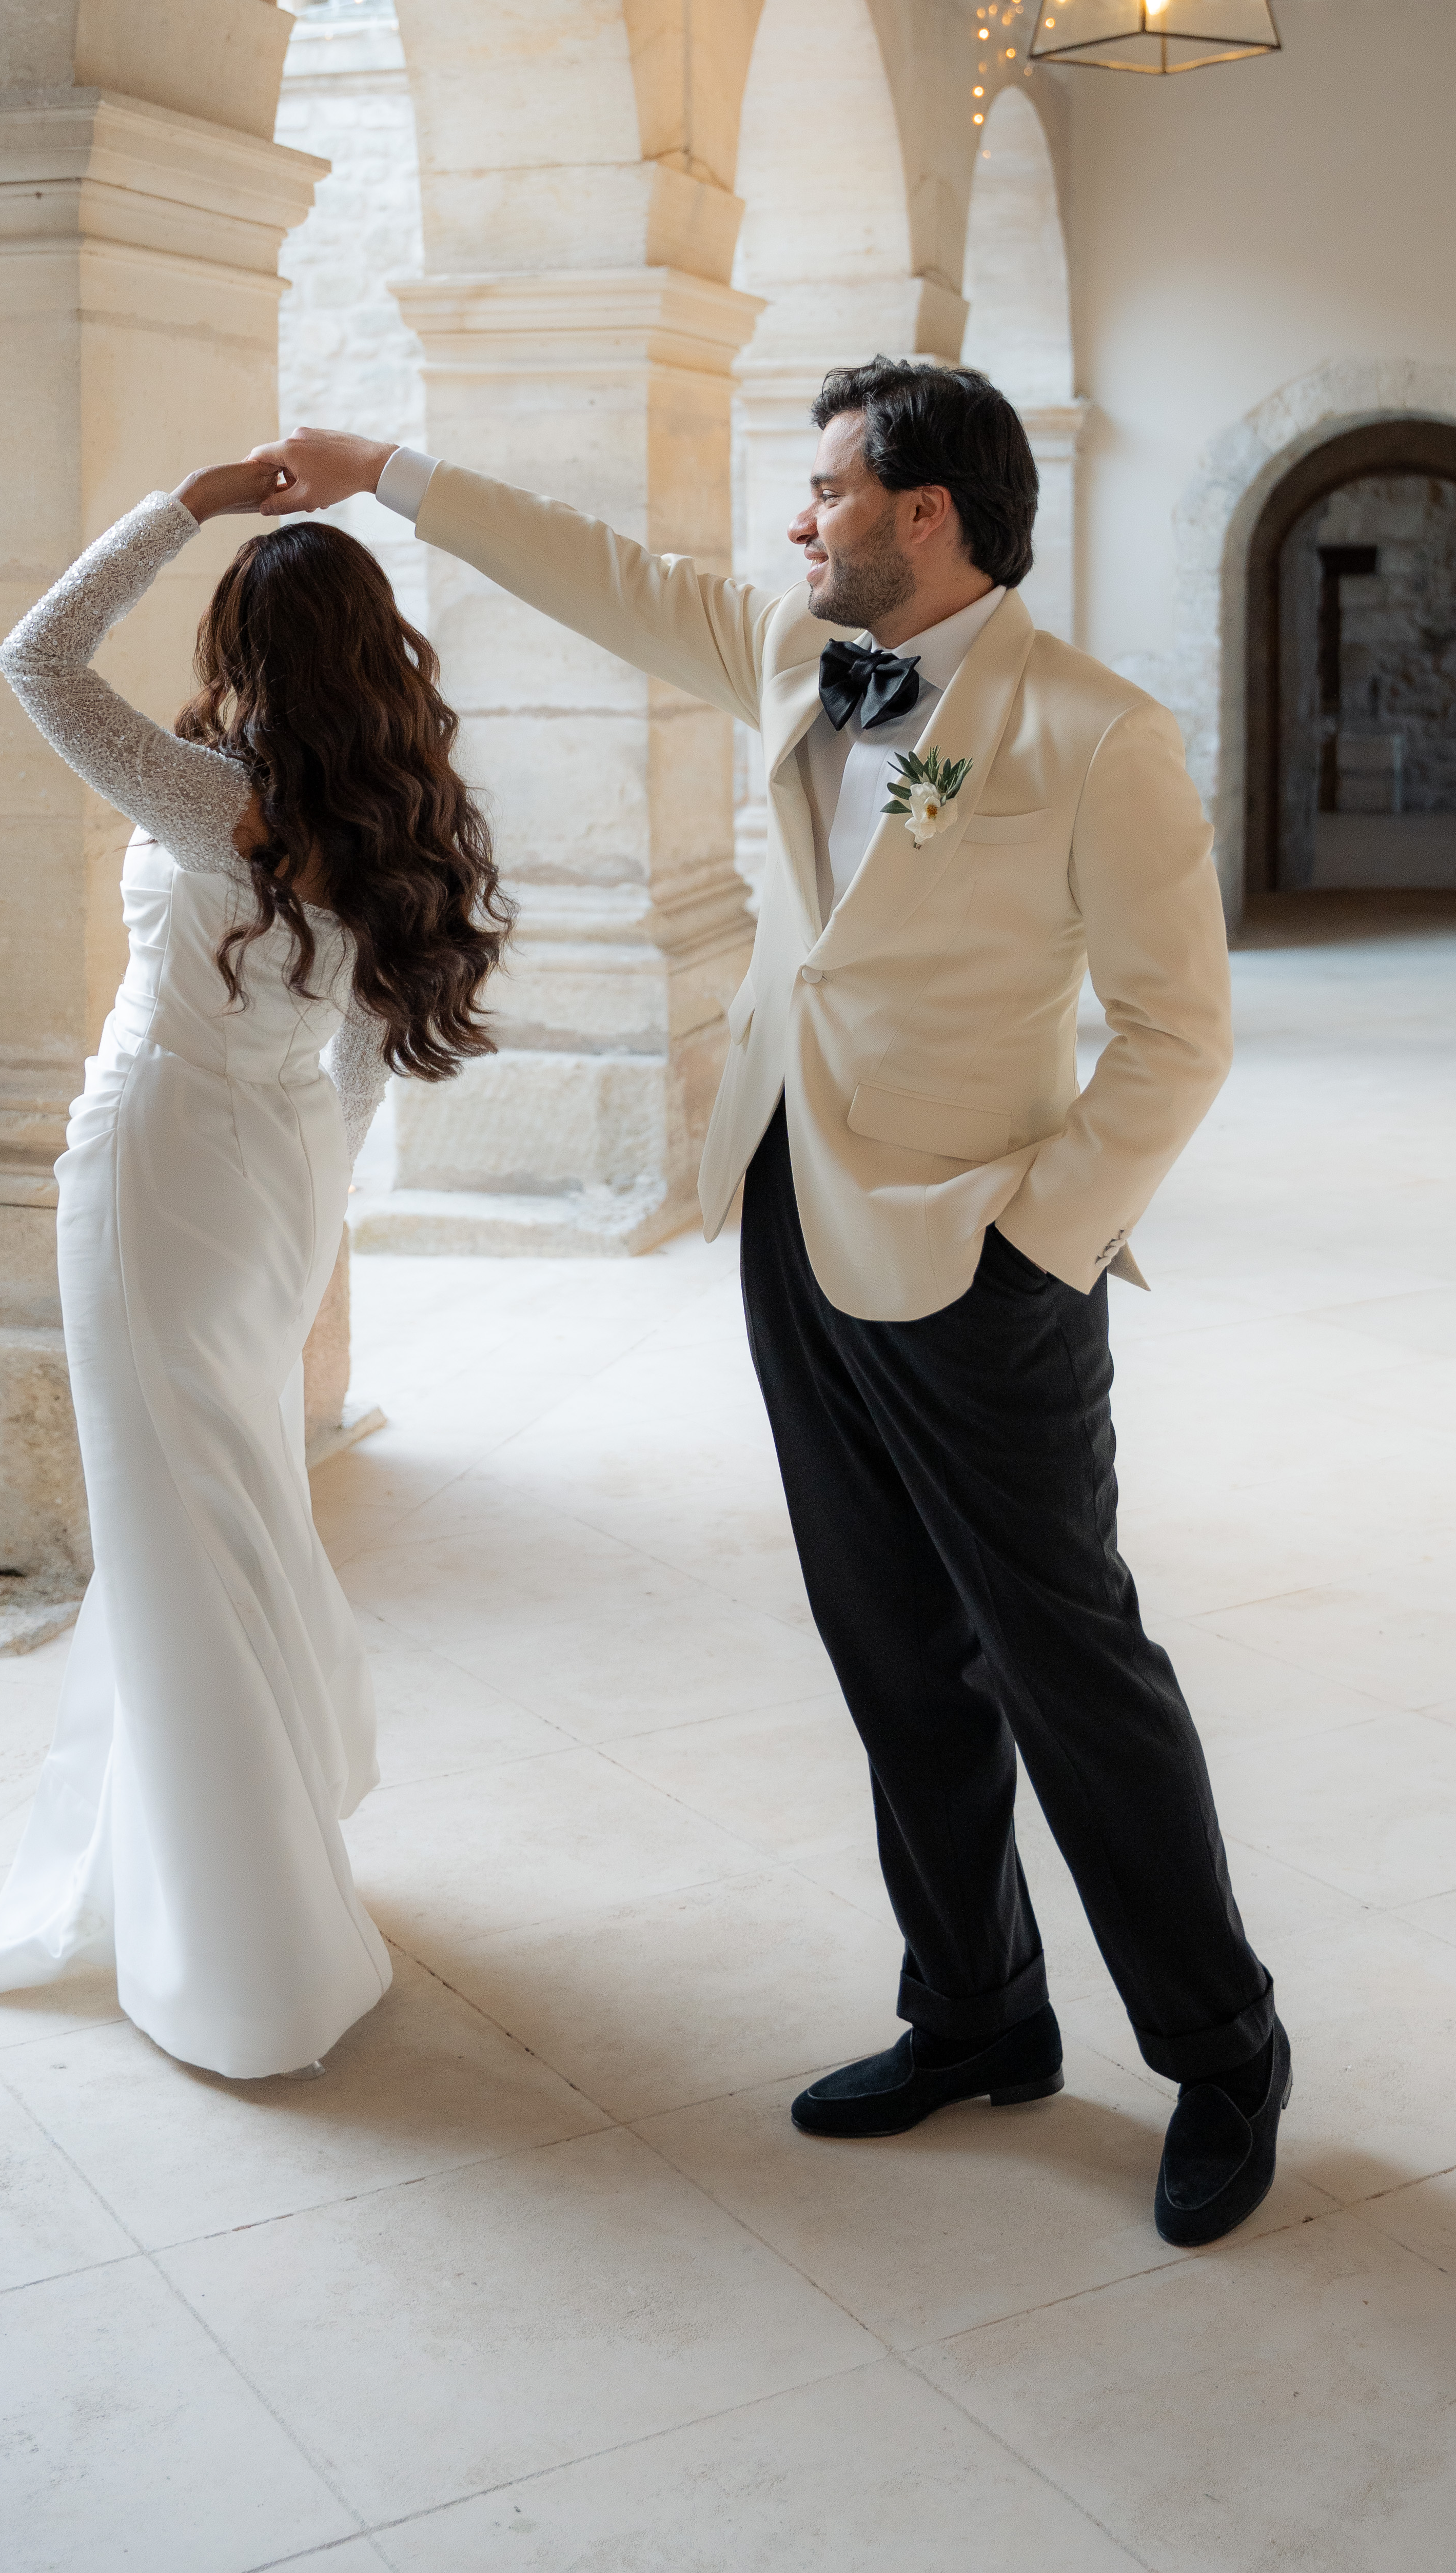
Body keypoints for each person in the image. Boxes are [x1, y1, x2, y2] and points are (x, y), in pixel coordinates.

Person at [240, 363, 1287, 2245]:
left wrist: (1036, 1245)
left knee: (1076, 1678)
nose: (799, 523)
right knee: (895, 1662)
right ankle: (975, 2011)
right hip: (791, 1230)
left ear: (929, 514)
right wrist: (387, 472)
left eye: (826, 492)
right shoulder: (796, 659)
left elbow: (1178, 1036)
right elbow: (595, 573)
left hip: (985, 1272)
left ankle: (1224, 2056)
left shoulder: (1093, 733)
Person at [0, 470, 508, 2077]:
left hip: (158, 1167)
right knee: (232, 1489)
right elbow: (368, 1067)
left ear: (244, 639)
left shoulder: (216, 803)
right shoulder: (394, 812)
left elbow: (37, 661)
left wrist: (178, 505)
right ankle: (226, 1856)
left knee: (174, 1522)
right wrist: (305, 1203)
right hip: (269, 1175)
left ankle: (245, 1945)